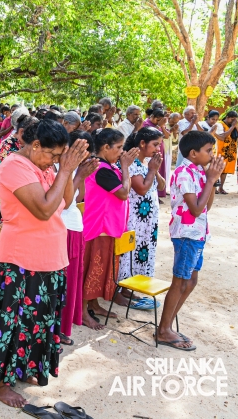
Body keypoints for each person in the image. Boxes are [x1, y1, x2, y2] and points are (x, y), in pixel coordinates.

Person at [0, 120, 89, 408]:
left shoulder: (47, 167)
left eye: (59, 156)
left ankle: (25, 367)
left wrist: (67, 170)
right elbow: (43, 210)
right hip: (21, 258)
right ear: (36, 145)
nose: (54, 160)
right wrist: (64, 170)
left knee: (37, 321)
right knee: (12, 322)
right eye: (52, 154)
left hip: (50, 256)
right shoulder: (14, 166)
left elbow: (66, 201)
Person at [157, 131, 224, 350]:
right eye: (208, 150)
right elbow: (195, 209)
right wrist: (211, 179)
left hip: (198, 233)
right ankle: (163, 330)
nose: (212, 155)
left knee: (191, 281)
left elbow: (206, 207)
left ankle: (167, 326)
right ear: (193, 153)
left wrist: (211, 180)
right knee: (180, 281)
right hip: (186, 234)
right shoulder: (184, 173)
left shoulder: (199, 171)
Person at [81, 128, 139, 330]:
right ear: (106, 147)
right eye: (119, 147)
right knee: (92, 270)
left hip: (108, 227)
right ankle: (82, 312)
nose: (122, 152)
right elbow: (123, 193)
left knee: (102, 269)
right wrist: (126, 167)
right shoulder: (101, 169)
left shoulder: (108, 167)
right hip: (99, 227)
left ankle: (94, 304)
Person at [117, 127, 166, 308]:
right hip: (135, 220)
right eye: (155, 144)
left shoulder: (145, 163)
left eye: (159, 145)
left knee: (141, 252)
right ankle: (119, 290)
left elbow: (161, 186)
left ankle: (128, 288)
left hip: (147, 222)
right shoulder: (132, 164)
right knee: (128, 254)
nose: (158, 149)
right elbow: (142, 189)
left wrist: (154, 169)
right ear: (142, 143)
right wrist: (152, 170)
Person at [59, 131, 98, 346]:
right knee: (63, 281)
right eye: (81, 152)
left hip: (75, 226)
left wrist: (81, 174)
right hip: (63, 227)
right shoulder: (60, 168)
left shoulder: (75, 169)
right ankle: (57, 328)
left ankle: (63, 327)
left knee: (72, 280)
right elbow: (63, 203)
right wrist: (78, 175)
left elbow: (79, 197)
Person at [143, 109, 170, 198]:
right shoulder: (146, 123)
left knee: (159, 170)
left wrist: (162, 126)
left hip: (159, 150)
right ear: (152, 116)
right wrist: (159, 125)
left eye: (160, 120)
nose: (158, 122)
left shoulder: (160, 124)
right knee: (151, 170)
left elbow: (167, 136)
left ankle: (160, 194)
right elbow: (149, 135)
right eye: (157, 120)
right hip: (150, 151)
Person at [213, 110, 238, 195]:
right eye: (232, 119)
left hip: (230, 152)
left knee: (225, 171)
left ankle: (221, 187)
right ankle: (214, 187)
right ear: (227, 117)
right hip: (221, 150)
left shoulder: (234, 125)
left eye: (235, 120)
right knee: (218, 169)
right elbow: (223, 136)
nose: (233, 121)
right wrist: (232, 126)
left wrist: (236, 126)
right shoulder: (220, 124)